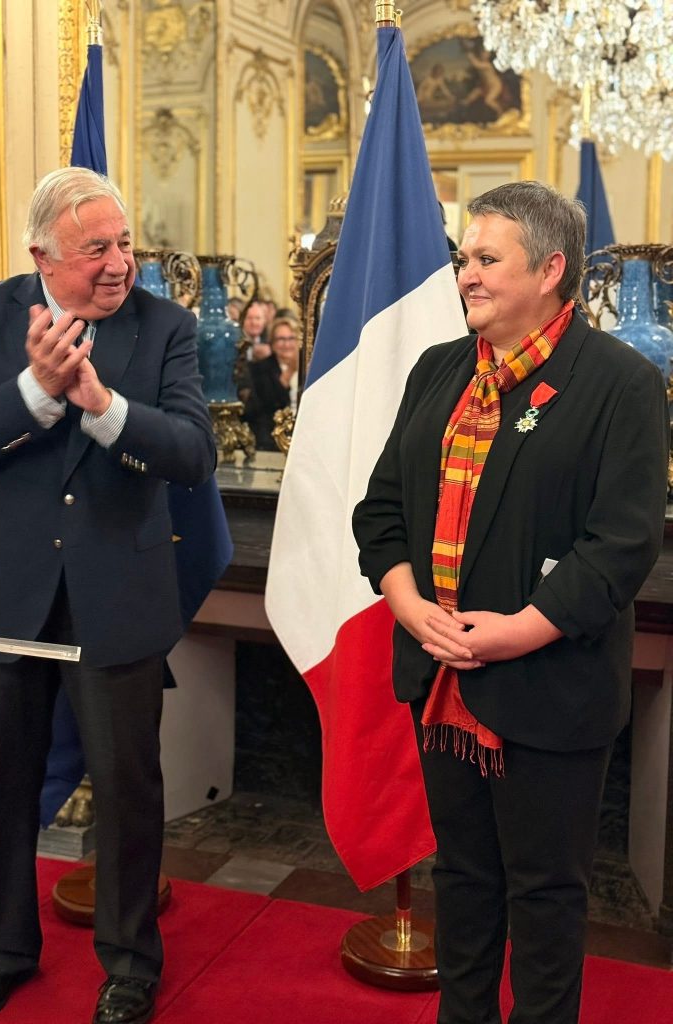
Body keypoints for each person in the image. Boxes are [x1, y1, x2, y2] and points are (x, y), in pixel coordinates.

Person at [352, 180, 668, 1024]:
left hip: (550, 691)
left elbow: (620, 548)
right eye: (464, 258)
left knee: (545, 900)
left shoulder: (621, 385)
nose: (467, 276)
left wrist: (516, 634)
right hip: (440, 681)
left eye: (488, 259)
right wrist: (409, 606)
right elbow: (379, 512)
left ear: (552, 269)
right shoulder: (438, 370)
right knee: (462, 882)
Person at [0, 167, 216, 1024]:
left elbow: (192, 452)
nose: (121, 263)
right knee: (3, 784)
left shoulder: (165, 327)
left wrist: (99, 405)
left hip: (116, 594)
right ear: (43, 257)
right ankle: (2, 953)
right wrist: (33, 393)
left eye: (125, 243)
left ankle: (130, 966)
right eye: (98, 249)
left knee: (128, 788)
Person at [243, 316, 300, 449]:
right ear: (272, 344)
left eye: (291, 338)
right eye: (281, 339)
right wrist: (289, 373)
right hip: (272, 437)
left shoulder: (309, 367)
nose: (286, 344)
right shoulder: (258, 369)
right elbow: (267, 405)